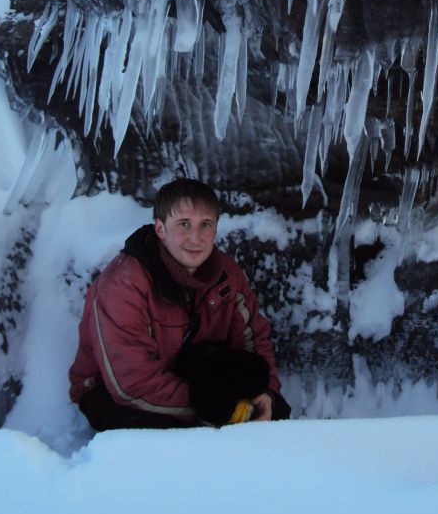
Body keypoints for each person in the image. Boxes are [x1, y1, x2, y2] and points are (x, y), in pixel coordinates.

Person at [68, 178, 288, 430]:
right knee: (156, 434)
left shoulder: (227, 273)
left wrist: (266, 394)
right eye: (184, 224)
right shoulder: (122, 285)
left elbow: (254, 340)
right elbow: (129, 383)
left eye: (205, 225)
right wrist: (216, 407)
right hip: (113, 389)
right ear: (160, 228)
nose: (195, 238)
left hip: (192, 374)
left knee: (274, 411)